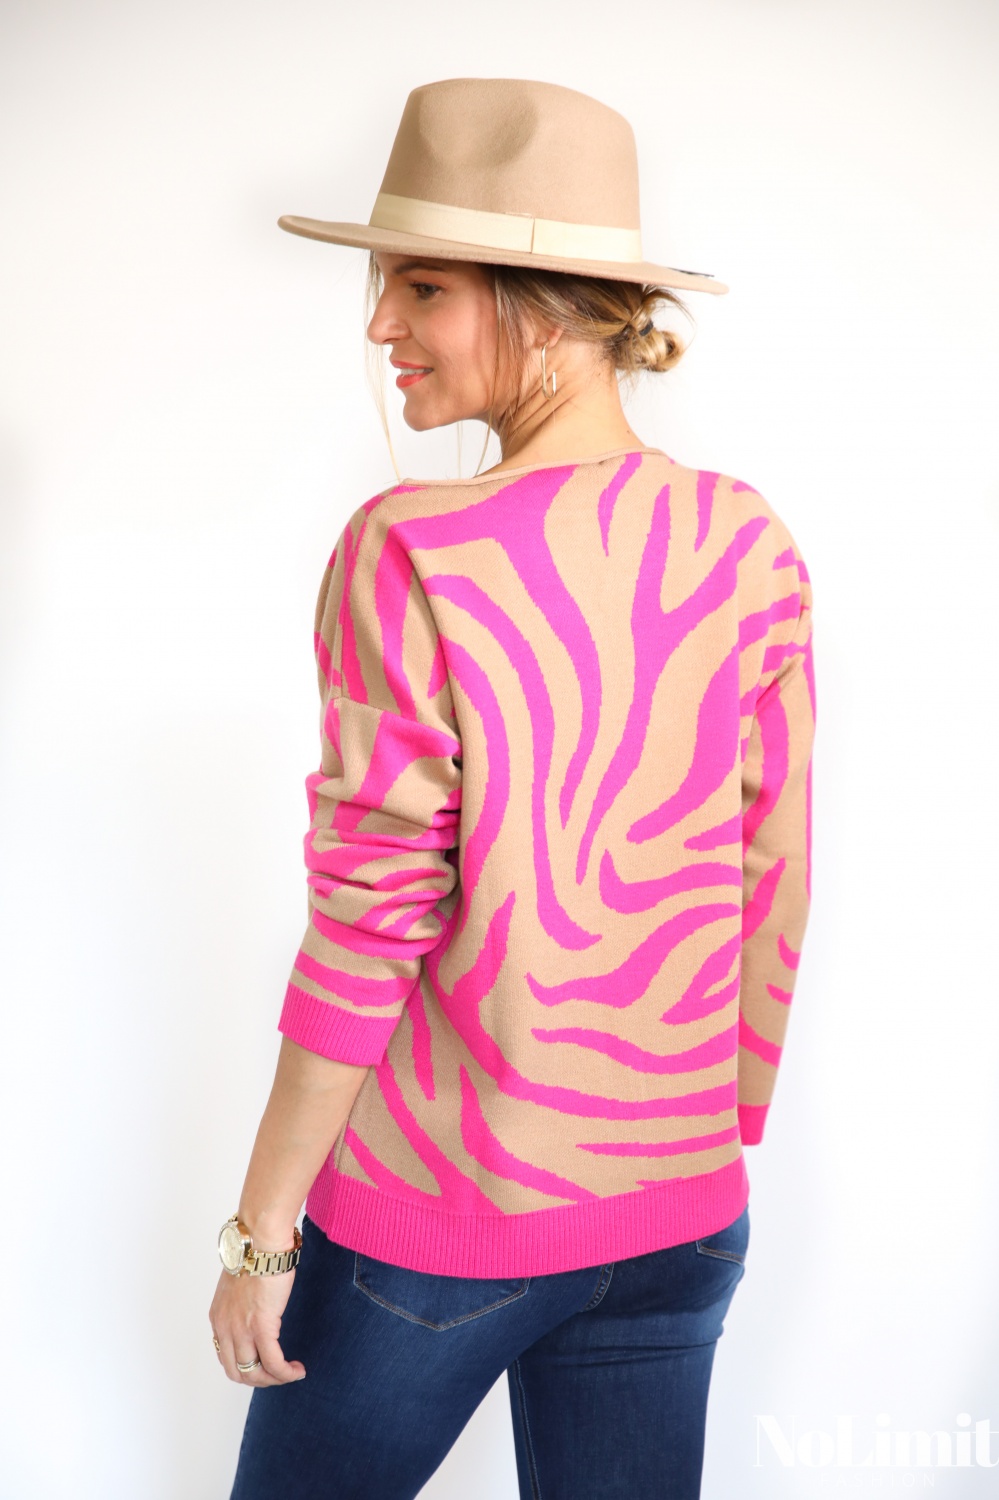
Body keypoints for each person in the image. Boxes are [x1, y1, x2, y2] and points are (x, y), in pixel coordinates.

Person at [209, 77, 816, 1500]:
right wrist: (710, 1130)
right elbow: (775, 869)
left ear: (545, 306)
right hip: (683, 1216)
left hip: (446, 1224)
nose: (380, 326)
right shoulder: (745, 540)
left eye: (422, 286)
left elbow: (370, 921)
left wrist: (261, 1232)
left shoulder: (412, 548)